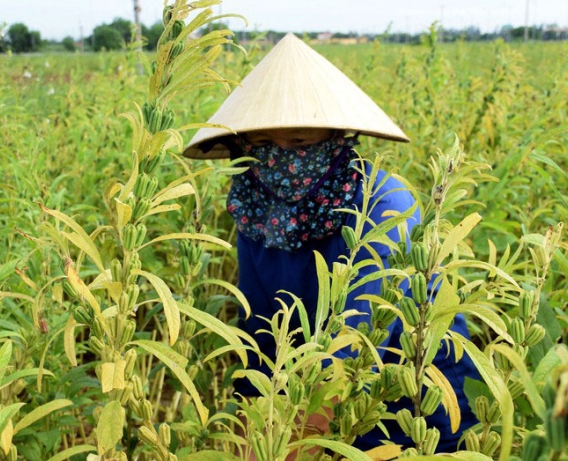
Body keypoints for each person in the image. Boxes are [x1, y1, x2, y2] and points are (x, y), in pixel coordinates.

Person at [182, 33, 477, 452]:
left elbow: (356, 353)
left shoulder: (384, 205)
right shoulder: (254, 210)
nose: (283, 157)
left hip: (407, 401)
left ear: (337, 137)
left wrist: (280, 448)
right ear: (242, 148)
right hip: (309, 405)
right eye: (264, 144)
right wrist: (254, 430)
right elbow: (261, 340)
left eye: (301, 143)